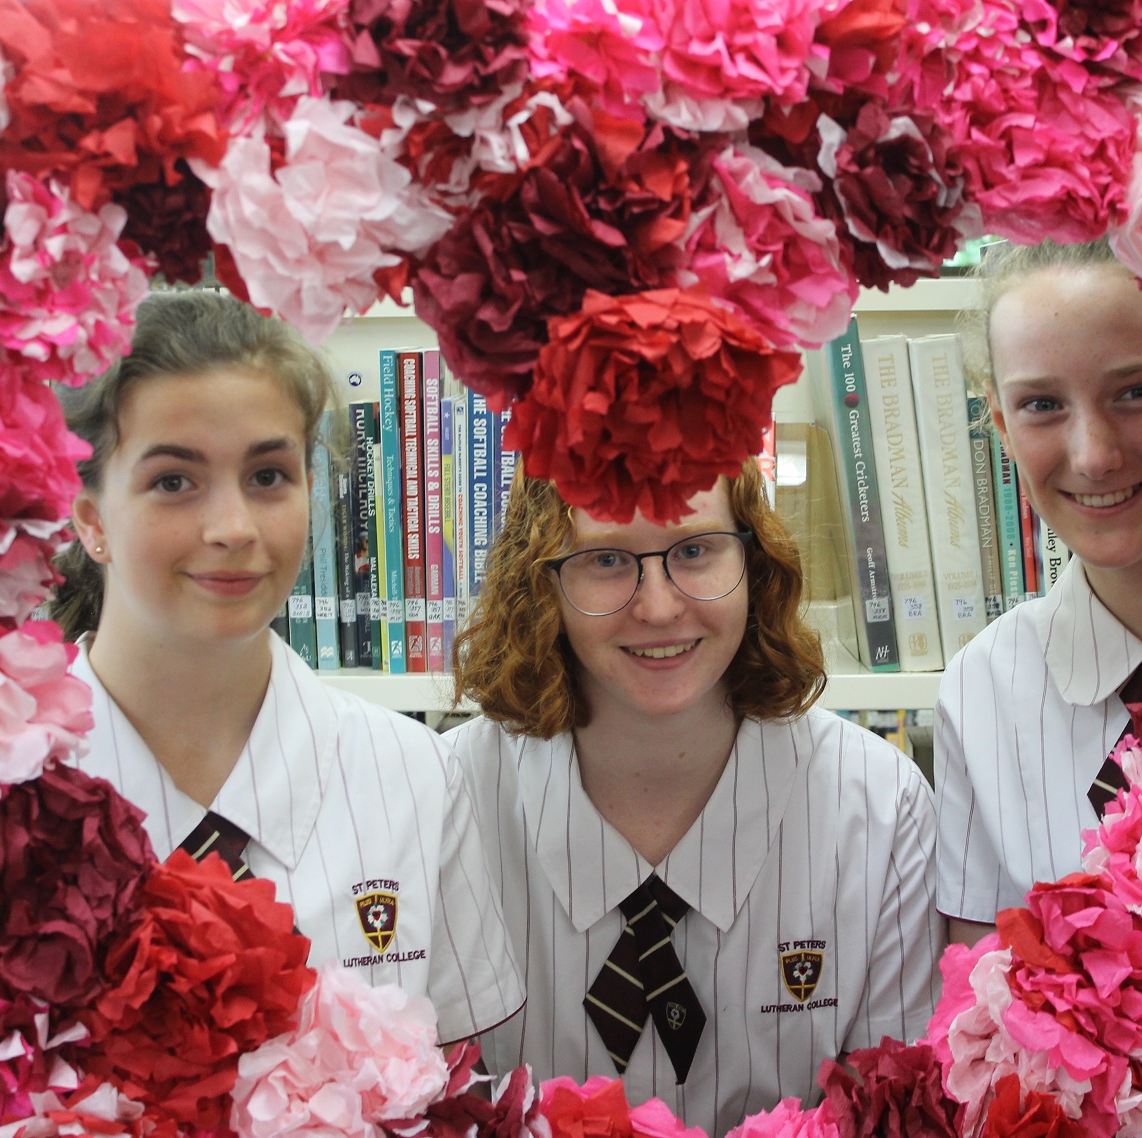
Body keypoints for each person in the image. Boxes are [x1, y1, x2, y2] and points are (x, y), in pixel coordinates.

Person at [52, 291, 524, 1043]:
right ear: (91, 519)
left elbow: (461, 1086)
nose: (233, 528)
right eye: (174, 481)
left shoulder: (416, 777)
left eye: (268, 476)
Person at [447, 461, 943, 1136]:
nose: (658, 608)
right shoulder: (450, 802)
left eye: (694, 550)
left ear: (754, 560)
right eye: (605, 559)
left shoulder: (882, 811)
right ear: (542, 583)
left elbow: (899, 1115)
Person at [935, 240, 1142, 947]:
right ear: (1000, 425)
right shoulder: (981, 691)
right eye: (1041, 404)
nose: (1094, 456)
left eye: (1136, 392)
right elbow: (979, 991)